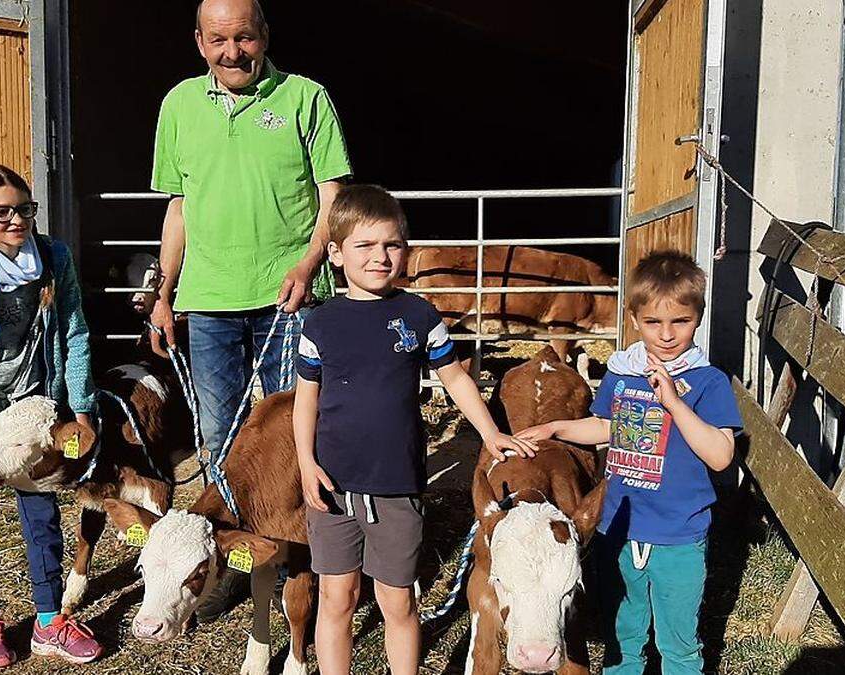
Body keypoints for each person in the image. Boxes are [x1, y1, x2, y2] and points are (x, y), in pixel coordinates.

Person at [148, 0, 352, 619]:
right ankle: (230, 558)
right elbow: (178, 206)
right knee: (219, 437)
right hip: (208, 301)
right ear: (199, 42)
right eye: (218, 39)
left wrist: (309, 263)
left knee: (297, 434)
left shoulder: (305, 97)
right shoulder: (178, 105)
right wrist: (164, 291)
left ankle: (302, 560)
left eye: (243, 37)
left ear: (263, 36)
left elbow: (332, 194)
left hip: (289, 295)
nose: (231, 51)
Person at [293, 185, 537, 674]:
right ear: (336, 255)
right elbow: (305, 401)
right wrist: (305, 463)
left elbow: (454, 378)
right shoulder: (320, 323)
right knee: (336, 596)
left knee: (397, 600)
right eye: (365, 246)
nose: (381, 257)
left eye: (392, 245)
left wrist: (489, 433)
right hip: (332, 484)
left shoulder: (419, 315)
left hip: (396, 482)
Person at [517, 250, 743, 675]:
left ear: (699, 317)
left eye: (681, 321)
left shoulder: (708, 382)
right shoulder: (623, 373)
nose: (667, 334)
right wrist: (557, 429)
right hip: (618, 528)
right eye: (654, 322)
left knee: (677, 640)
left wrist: (674, 402)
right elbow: (605, 427)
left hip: (678, 532)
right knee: (623, 634)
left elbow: (720, 454)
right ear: (634, 319)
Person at [0, 164, 103, 669]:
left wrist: (82, 409)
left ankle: (50, 620)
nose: (15, 220)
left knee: (42, 516)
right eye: (0, 211)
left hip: (31, 413)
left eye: (24, 209)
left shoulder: (53, 258)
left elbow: (74, 332)